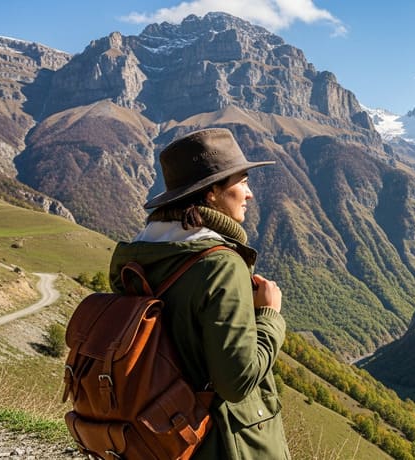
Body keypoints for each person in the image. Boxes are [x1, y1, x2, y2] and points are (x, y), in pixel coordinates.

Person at [109, 127, 291, 459]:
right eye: (242, 182)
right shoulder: (220, 265)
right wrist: (269, 316)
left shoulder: (136, 259)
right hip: (219, 442)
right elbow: (237, 382)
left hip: (156, 438)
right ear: (211, 193)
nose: (249, 194)